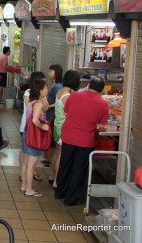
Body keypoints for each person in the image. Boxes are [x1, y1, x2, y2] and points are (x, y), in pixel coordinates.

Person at [55, 77, 109, 206]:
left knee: (65, 165)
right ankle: (70, 198)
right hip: (85, 141)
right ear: (101, 90)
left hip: (68, 136)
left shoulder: (74, 96)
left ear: (89, 84)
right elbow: (102, 125)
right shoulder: (103, 104)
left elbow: (66, 112)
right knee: (78, 170)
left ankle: (59, 192)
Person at [50, 70, 81, 188]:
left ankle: (52, 176)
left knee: (56, 152)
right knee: (61, 155)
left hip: (57, 126)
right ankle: (57, 181)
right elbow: (71, 114)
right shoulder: (68, 96)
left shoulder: (60, 91)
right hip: (64, 128)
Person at [20, 78, 48, 198]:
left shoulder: (31, 103)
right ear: (40, 90)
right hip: (34, 137)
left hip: (26, 135)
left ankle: (24, 186)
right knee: (31, 165)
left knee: (26, 163)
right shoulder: (38, 104)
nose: (47, 90)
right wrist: (44, 126)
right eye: (46, 88)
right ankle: (29, 190)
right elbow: (35, 120)